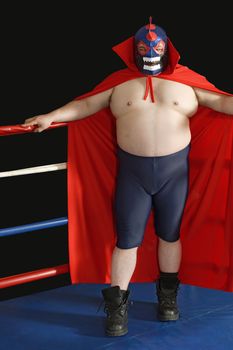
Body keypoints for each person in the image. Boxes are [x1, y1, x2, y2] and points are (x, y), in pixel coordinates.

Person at [22, 18, 233, 337]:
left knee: (170, 235)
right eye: (144, 48)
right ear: (133, 51)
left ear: (167, 51)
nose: (150, 53)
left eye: (156, 48)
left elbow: (221, 101)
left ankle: (168, 298)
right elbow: (86, 105)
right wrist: (52, 116)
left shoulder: (188, 81)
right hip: (132, 174)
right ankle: (117, 306)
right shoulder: (119, 82)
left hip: (174, 173)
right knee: (126, 241)